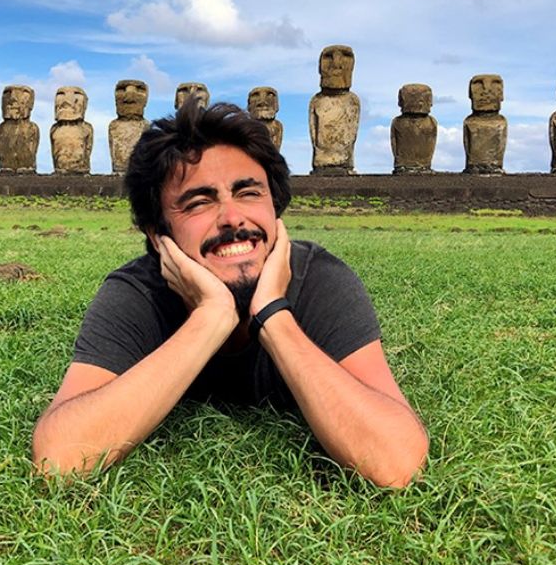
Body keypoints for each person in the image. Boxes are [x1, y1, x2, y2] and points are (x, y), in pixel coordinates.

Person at [31, 100, 428, 488]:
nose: (233, 218)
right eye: (200, 202)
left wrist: (274, 315)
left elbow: (396, 463)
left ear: (276, 209)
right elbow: (60, 459)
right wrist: (211, 317)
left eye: (249, 193)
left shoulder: (320, 281)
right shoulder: (137, 293)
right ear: (159, 236)